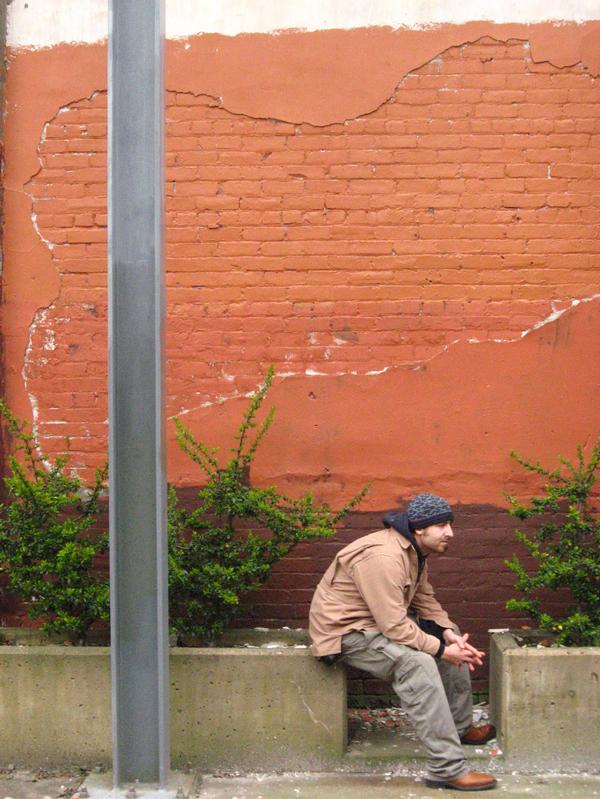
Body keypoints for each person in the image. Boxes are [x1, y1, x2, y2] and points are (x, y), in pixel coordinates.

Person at [309, 493, 497, 792]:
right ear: (420, 528)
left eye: (450, 523)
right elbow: (393, 625)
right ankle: (447, 769)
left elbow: (424, 599)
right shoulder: (384, 557)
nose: (451, 532)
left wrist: (446, 632)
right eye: (443, 525)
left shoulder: (414, 551)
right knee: (417, 663)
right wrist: (439, 650)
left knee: (449, 634)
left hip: (377, 624)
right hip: (346, 633)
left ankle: (460, 728)